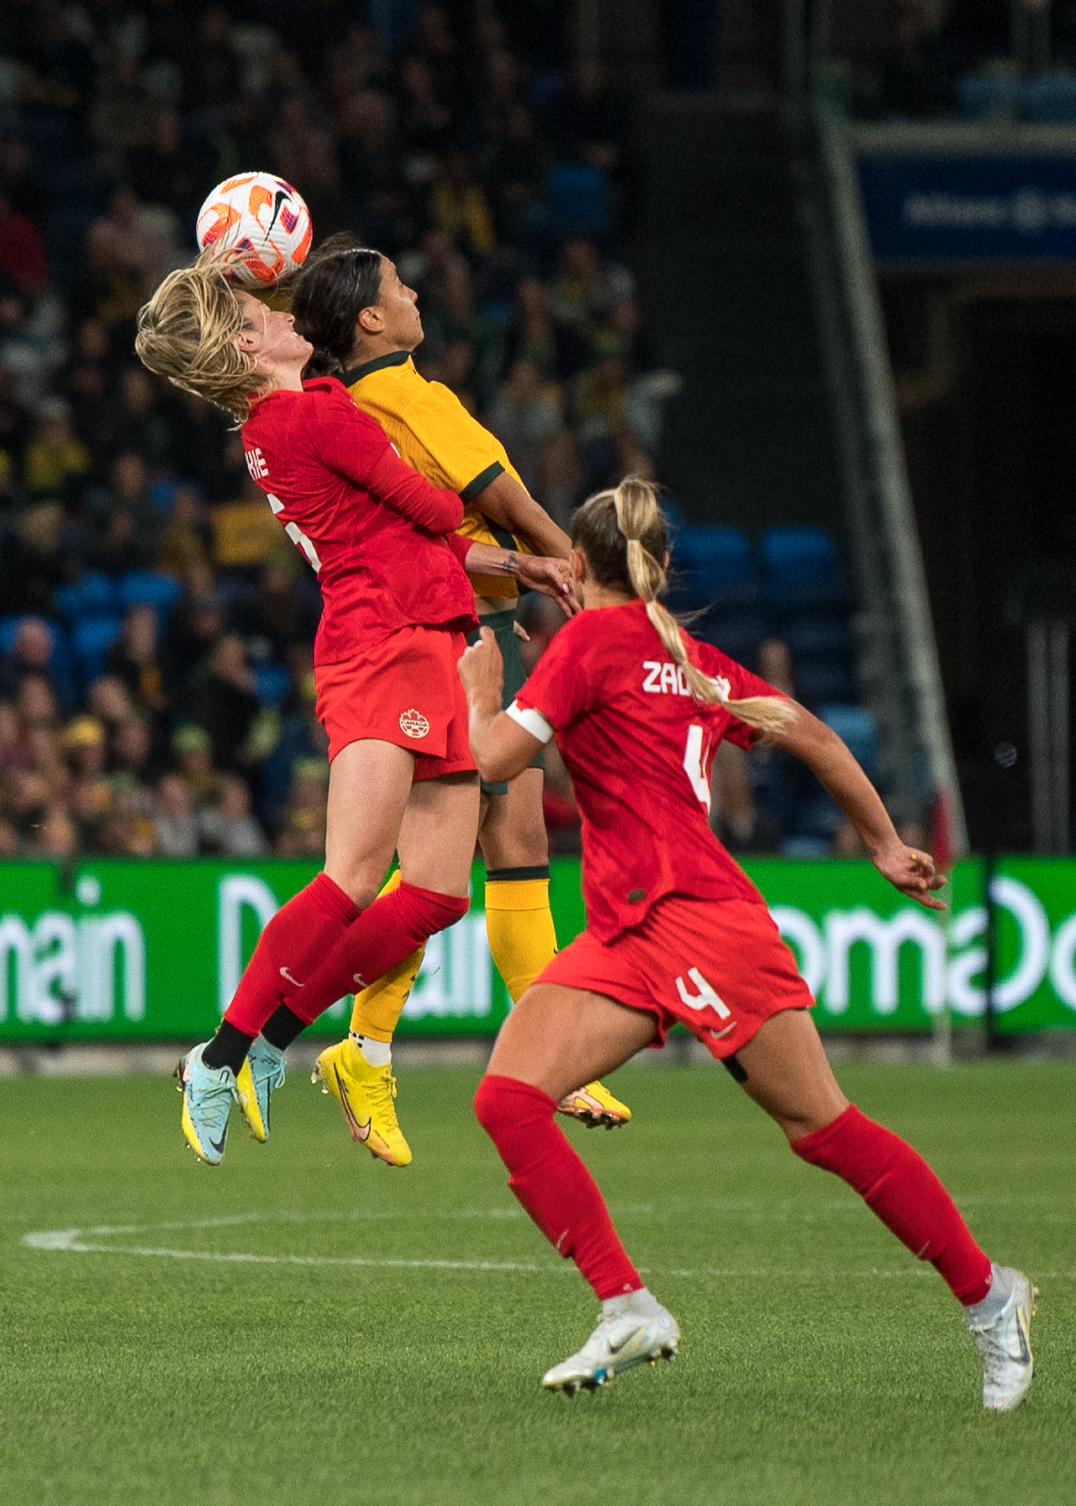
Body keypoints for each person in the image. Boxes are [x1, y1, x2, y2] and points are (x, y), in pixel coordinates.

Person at [457, 476, 1035, 1410]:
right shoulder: (693, 659)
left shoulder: (590, 645)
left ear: (576, 563)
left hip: (698, 921)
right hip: (631, 927)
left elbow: (487, 766)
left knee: (824, 1130)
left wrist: (482, 692)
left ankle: (989, 1296)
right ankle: (627, 1305)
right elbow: (814, 735)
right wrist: (882, 843)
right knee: (509, 1098)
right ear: (659, 565)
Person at [134, 251, 574, 1166]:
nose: (288, 314)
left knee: (437, 896)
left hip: (430, 635)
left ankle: (274, 1045)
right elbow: (432, 507)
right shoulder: (315, 414)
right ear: (247, 349)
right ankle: (220, 1057)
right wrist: (517, 546)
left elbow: (426, 536)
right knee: (349, 878)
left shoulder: (277, 424)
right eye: (264, 314)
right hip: (382, 647)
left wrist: (512, 578)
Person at [289, 240, 631, 1166]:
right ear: (369, 319)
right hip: (444, 640)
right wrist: (587, 585)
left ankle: (530, 1045)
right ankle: (364, 1046)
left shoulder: (339, 413)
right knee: (434, 868)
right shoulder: (405, 394)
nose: (413, 291)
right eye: (399, 285)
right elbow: (508, 506)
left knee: (509, 842)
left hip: (441, 628)